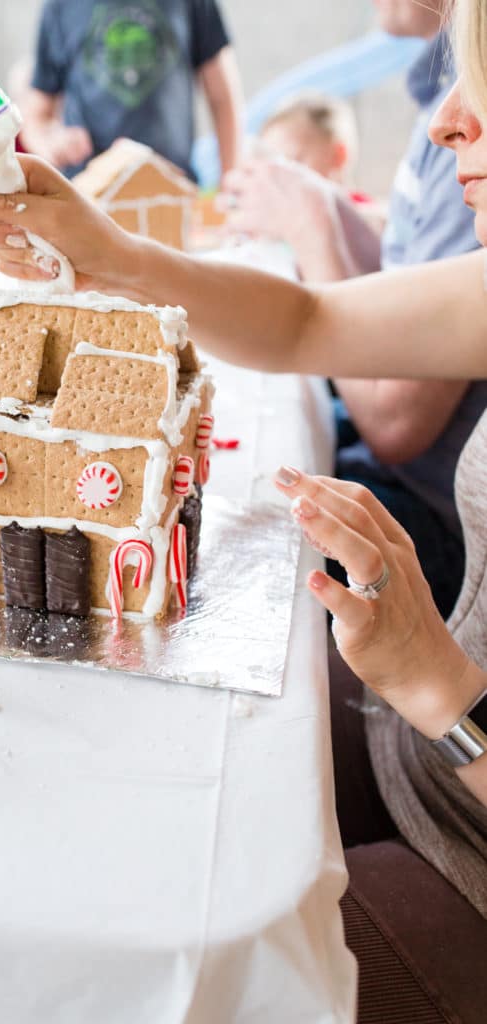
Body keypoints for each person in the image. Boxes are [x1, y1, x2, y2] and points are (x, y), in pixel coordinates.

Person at [0, 0, 487, 1013]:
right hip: (425, 748)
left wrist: (439, 689)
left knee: (158, 967)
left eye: (484, 83)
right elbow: (305, 320)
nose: (440, 119)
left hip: (461, 840)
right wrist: (104, 247)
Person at [222, 1, 486, 622]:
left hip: (430, 522)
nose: (444, 126)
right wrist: (331, 211)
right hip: (405, 487)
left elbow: (394, 422)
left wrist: (313, 228)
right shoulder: (443, 101)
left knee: (246, 572)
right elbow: (409, 266)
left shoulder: (467, 122)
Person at [14, 0, 243, 180]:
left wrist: (230, 183)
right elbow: (35, 118)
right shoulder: (60, 7)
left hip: (173, 189)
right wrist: (54, 142)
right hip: (88, 196)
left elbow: (223, 98)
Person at [257, 91, 359, 185]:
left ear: (338, 156)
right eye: (272, 163)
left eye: (293, 161)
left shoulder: (359, 205)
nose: (278, 175)